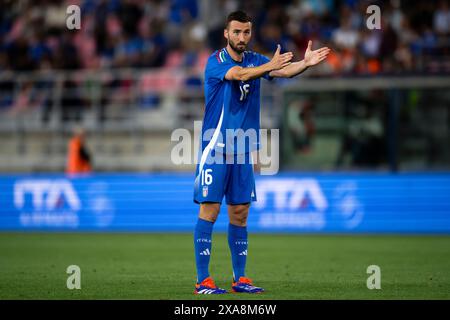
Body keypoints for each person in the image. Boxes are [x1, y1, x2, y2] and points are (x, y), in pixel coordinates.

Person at [193, 10, 330, 294]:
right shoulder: (216, 62)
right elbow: (239, 74)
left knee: (240, 212)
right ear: (226, 34)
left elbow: (282, 71)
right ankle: (203, 281)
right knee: (210, 210)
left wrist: (305, 63)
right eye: (237, 32)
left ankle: (239, 279)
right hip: (216, 148)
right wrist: (269, 67)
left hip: (242, 150)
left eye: (246, 32)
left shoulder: (256, 59)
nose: (242, 38)